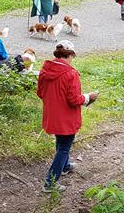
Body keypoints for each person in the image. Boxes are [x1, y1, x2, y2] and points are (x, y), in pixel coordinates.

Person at [36, 40, 99, 193]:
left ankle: (64, 166)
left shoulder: (45, 70)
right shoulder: (71, 74)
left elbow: (40, 93)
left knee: (61, 142)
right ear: (70, 55)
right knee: (64, 147)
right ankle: (50, 183)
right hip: (66, 117)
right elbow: (74, 99)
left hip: (52, 114)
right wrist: (89, 97)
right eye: (72, 57)